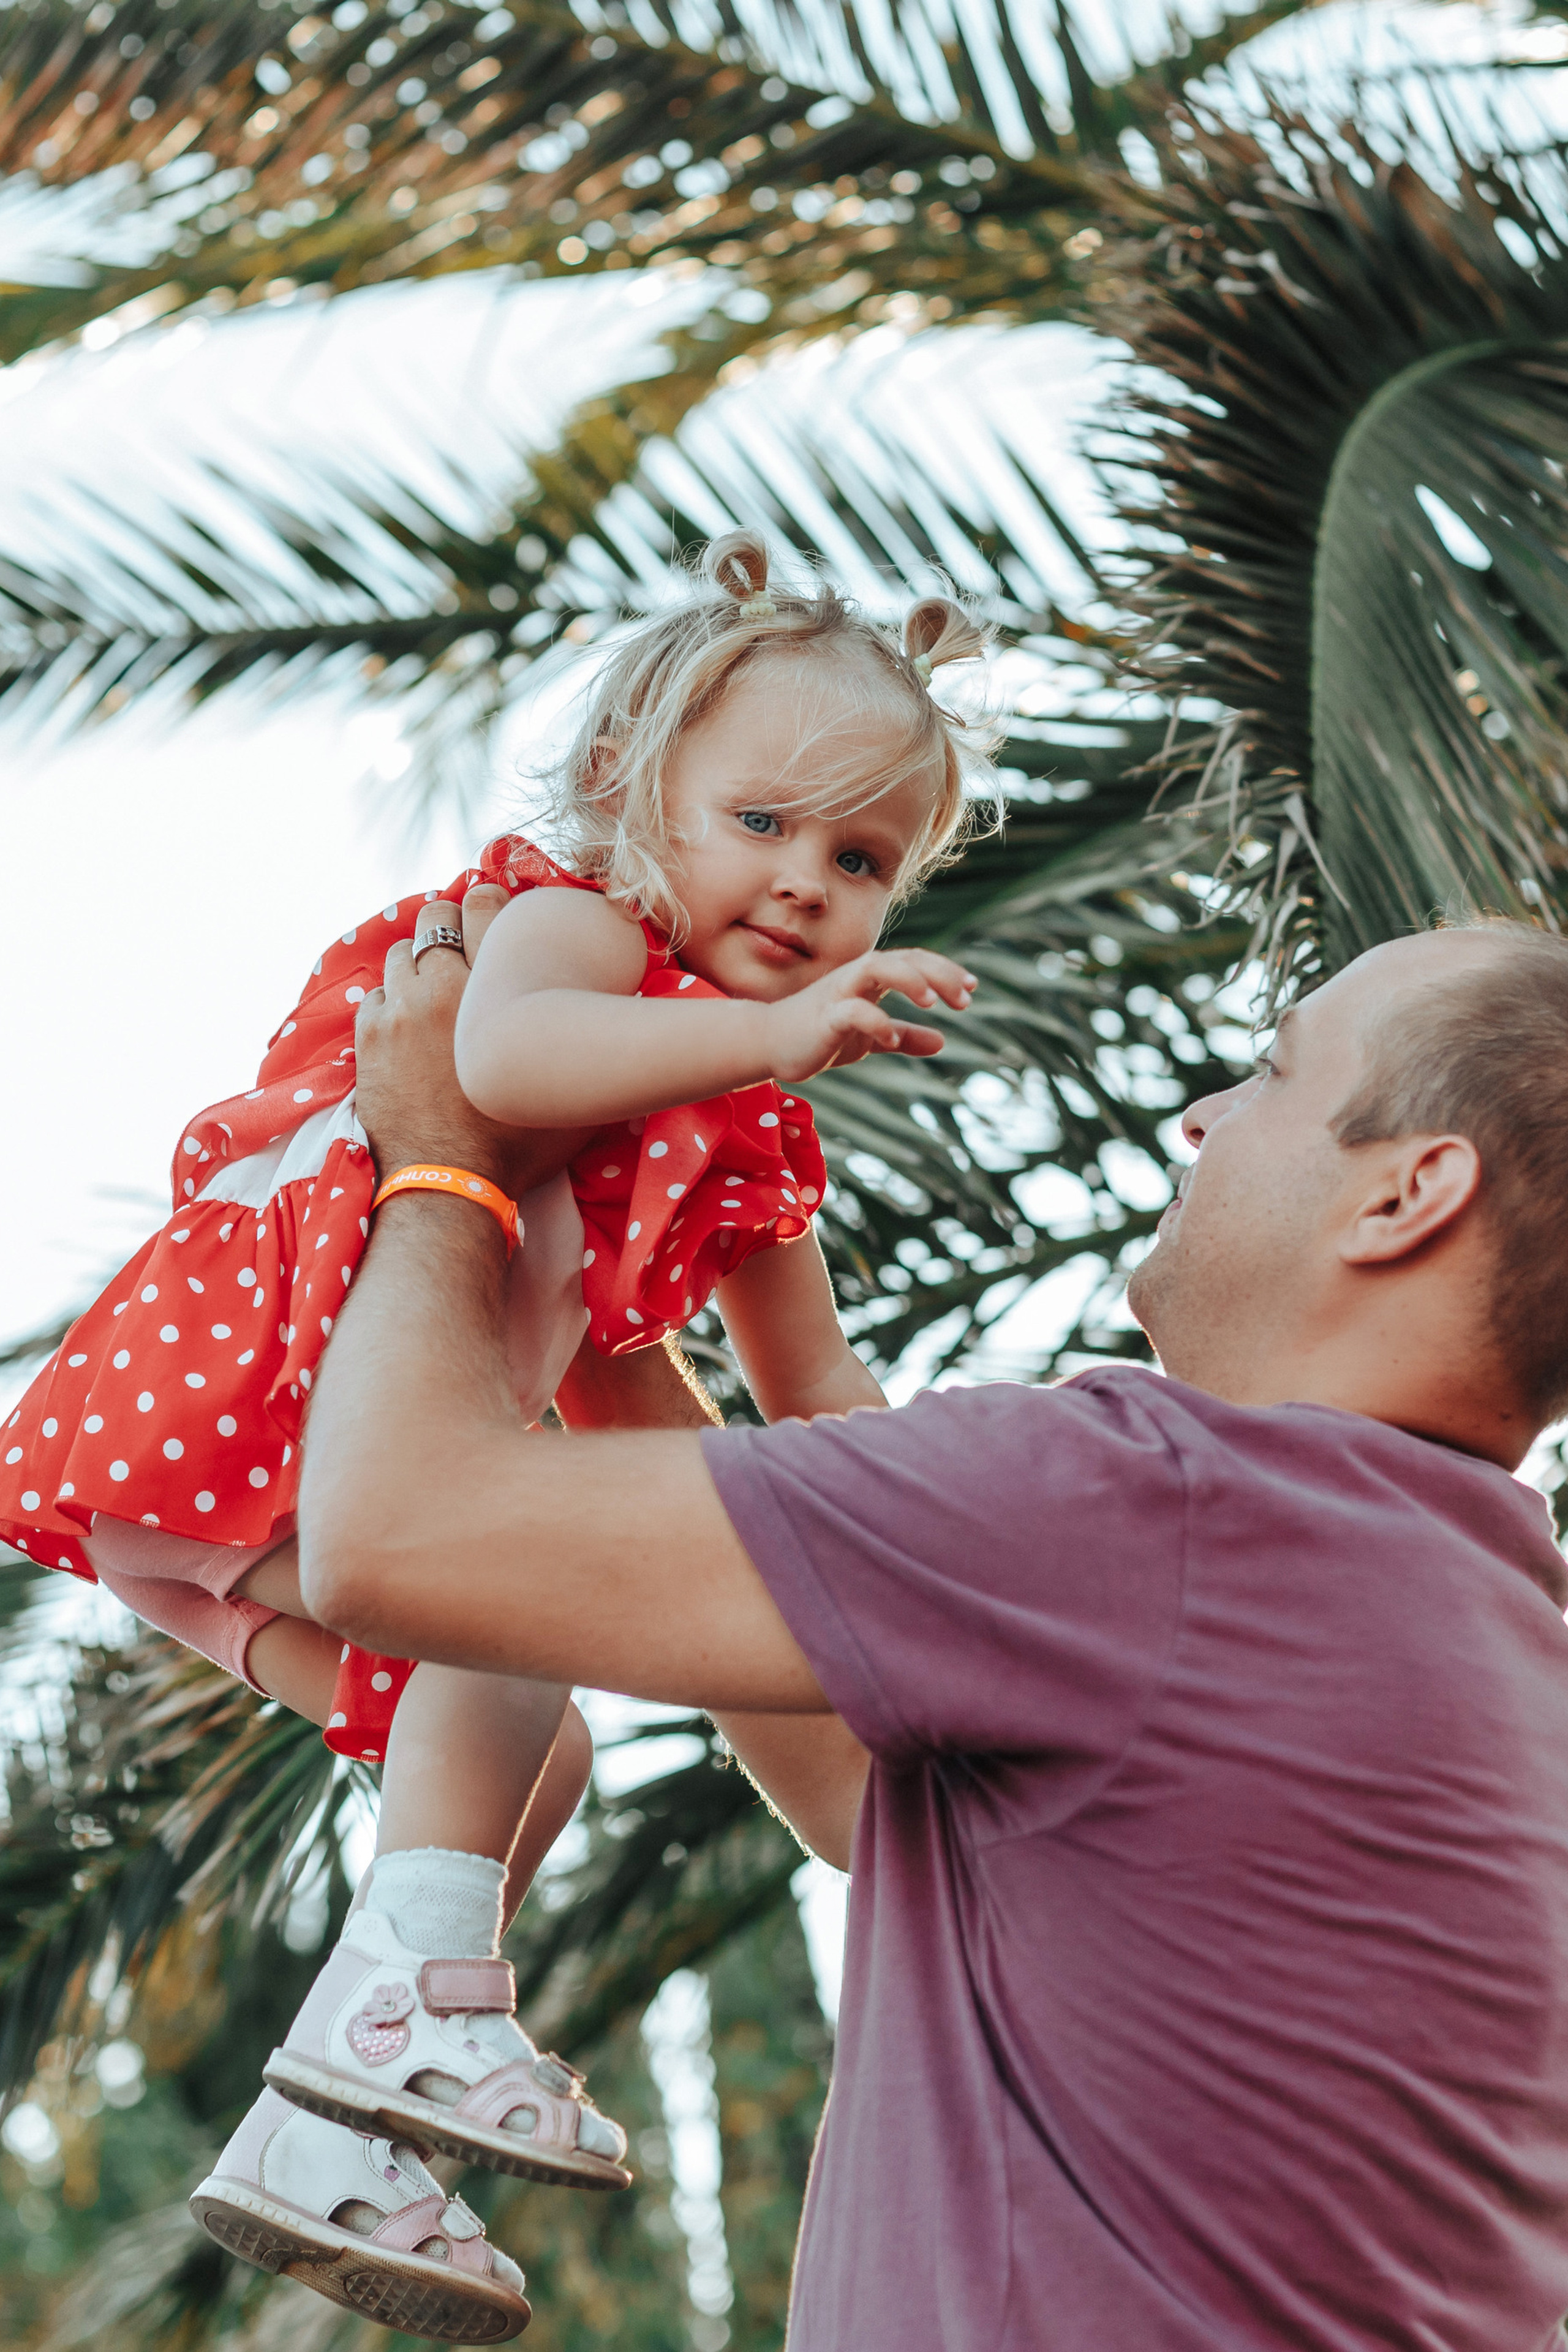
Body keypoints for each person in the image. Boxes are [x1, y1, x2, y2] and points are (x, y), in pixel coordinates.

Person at [295, 896, 1568, 2351]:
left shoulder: (1151, 1505)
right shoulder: (1484, 1632)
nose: (1203, 1119)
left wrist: (444, 1169)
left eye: (1273, 1074)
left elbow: (390, 1531)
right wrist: (611, 1330)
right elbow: (864, 1792)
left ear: (1406, 1193)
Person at [0, 533, 994, 2336]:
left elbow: (815, 1403)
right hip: (263, 1399)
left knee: (536, 1769)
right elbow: (506, 1070)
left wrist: (968, 1546)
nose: (805, 885)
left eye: (860, 861)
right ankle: (421, 2015)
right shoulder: (566, 924)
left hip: (298, 1493)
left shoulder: (751, 1124)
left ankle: (337, 2128)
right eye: (763, 823)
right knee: (515, 1625)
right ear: (633, 789)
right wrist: (770, 1026)